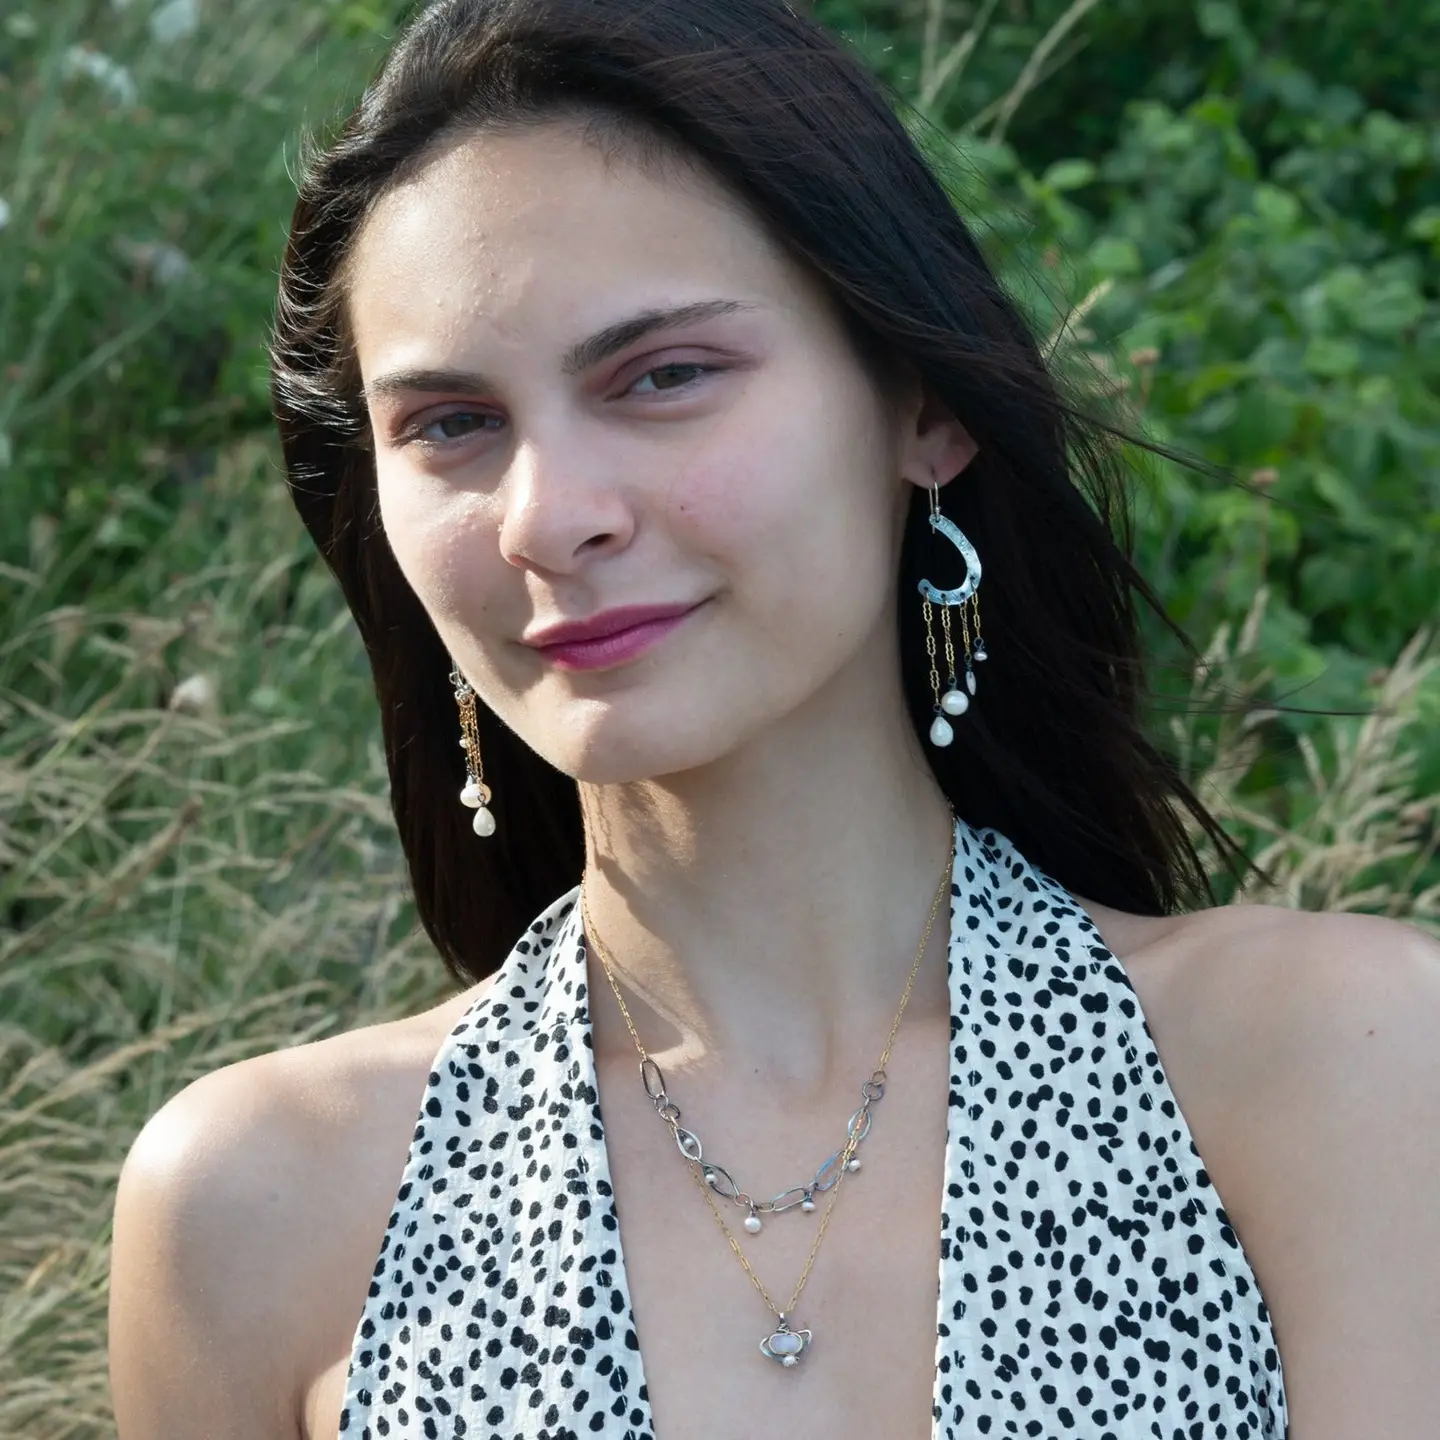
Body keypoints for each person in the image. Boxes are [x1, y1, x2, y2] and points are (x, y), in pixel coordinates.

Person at [107, 0, 1440, 1435]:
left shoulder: (1344, 1066)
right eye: (451, 425)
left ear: (924, 406)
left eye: (665, 376)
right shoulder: (258, 1203)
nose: (551, 519)